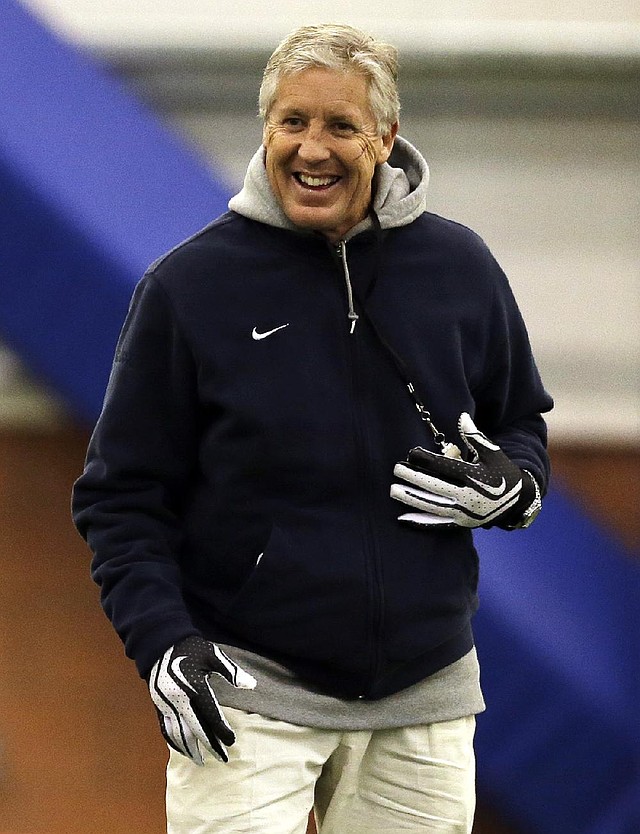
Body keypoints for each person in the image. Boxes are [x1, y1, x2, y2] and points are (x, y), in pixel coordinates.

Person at [72, 23, 553, 834]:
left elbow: (519, 421)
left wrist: (516, 486)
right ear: (266, 129)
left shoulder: (459, 268)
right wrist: (162, 641)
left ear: (388, 138)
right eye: (292, 122)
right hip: (246, 692)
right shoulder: (189, 288)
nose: (312, 148)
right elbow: (121, 499)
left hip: (424, 696)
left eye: (340, 125)